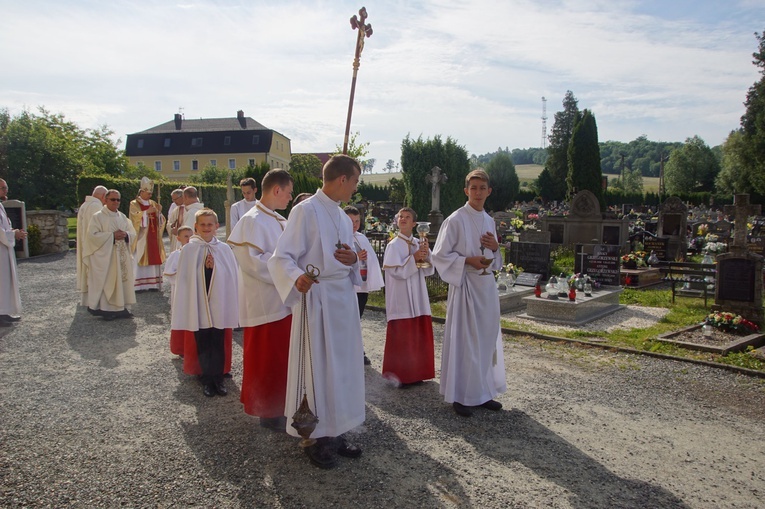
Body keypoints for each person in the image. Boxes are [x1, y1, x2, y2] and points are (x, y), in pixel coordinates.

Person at [268, 154, 365, 470]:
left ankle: (336, 430)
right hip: (318, 299)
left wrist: (353, 260)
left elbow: (348, 256)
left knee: (342, 368)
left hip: (342, 301)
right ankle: (314, 437)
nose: (355, 189)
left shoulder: (339, 214)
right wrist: (296, 276)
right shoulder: (305, 211)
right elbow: (282, 256)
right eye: (354, 182)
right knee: (318, 369)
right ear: (342, 180)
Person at [431, 169, 507, 418]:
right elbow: (440, 255)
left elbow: (496, 261)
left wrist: (496, 248)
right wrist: (467, 261)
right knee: (466, 343)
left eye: (482, 188)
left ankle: (482, 393)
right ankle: (461, 395)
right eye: (473, 188)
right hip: (465, 287)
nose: (477, 192)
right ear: (466, 191)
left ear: (489, 191)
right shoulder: (455, 220)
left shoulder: (489, 220)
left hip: (486, 289)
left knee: (485, 341)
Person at [228, 169, 294, 432]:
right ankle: (267, 410)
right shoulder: (252, 221)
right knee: (267, 357)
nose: (290, 198)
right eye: (288, 192)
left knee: (282, 358)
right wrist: (291, 272)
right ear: (276, 190)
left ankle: (283, 405)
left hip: (286, 300)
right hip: (265, 302)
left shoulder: (280, 220)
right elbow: (252, 262)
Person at [171, 209, 238, 397]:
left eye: (210, 224)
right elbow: (186, 279)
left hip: (219, 304)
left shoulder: (224, 249)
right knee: (203, 342)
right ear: (196, 227)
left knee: (218, 340)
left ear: (217, 227)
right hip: (199, 305)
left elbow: (230, 277)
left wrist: (214, 268)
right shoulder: (190, 250)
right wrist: (206, 270)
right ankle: (207, 380)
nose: (206, 228)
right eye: (202, 224)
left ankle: (218, 378)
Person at [381, 207, 435, 386]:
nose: (403, 219)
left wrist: (425, 255)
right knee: (403, 335)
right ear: (397, 221)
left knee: (418, 333)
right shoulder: (393, 245)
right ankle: (401, 375)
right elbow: (396, 272)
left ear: (414, 223)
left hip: (418, 294)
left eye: (408, 217)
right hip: (401, 295)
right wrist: (414, 258)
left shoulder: (420, 242)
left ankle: (418, 373)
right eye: (400, 217)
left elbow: (428, 270)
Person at [82, 189, 137, 321]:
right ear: (105, 200)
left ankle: (122, 308)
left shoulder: (122, 216)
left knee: (122, 280)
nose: (116, 202)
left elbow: (132, 233)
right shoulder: (98, 216)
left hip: (122, 255)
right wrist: (112, 236)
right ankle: (107, 309)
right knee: (109, 280)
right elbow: (92, 237)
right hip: (106, 258)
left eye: (118, 199)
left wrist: (126, 235)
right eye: (113, 199)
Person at [343, 205, 384, 366]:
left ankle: (358, 351)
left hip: (362, 287)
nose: (354, 224)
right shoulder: (340, 237)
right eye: (350, 221)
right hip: (348, 286)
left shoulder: (362, 238)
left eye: (357, 221)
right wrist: (356, 257)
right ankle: (349, 352)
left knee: (357, 320)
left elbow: (372, 260)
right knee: (347, 321)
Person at [129, 177, 166, 291]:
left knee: (153, 256)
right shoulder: (134, 203)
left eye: (151, 193)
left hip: (153, 236)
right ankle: (140, 285)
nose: (150, 195)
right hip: (142, 236)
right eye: (148, 193)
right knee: (140, 256)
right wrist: (145, 213)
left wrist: (159, 213)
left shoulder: (153, 203)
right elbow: (134, 217)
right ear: (142, 191)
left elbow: (161, 220)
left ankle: (153, 284)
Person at [0, 178, 26, 326]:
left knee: (5, 281)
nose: (6, 190)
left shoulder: (1, 206)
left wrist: (14, 231)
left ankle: (4, 311)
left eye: (6, 187)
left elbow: (5, 228)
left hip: (4, 250)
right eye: (3, 188)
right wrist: (13, 234)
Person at [164, 225, 193, 357]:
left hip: (193, 291)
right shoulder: (176, 255)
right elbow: (170, 274)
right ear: (179, 238)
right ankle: (181, 347)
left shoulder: (197, 252)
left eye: (191, 235)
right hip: (180, 291)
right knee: (182, 315)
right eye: (186, 236)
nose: (189, 239)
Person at [76, 186, 107, 306]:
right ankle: (96, 300)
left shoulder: (85, 205)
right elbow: (98, 228)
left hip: (87, 244)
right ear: (103, 196)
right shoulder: (96, 206)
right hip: (94, 247)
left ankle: (88, 299)